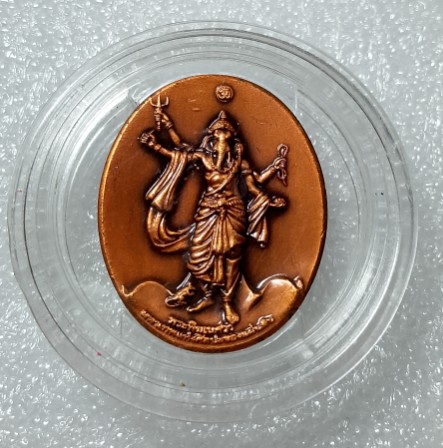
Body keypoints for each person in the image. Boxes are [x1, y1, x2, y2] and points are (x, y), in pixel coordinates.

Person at [139, 108, 287, 325]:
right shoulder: (203, 158)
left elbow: (252, 188)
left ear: (233, 141)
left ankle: (227, 302)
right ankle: (206, 294)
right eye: (218, 135)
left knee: (232, 256)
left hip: (233, 211)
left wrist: (269, 200)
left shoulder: (240, 163)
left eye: (226, 135)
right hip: (208, 211)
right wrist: (155, 145)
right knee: (199, 253)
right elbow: (179, 155)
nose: (222, 140)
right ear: (211, 138)